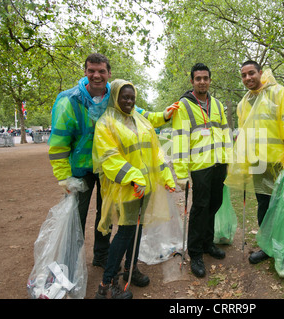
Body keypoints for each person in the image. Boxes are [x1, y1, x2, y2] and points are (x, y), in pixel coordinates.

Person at [48, 53, 178, 269]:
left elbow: (138, 115)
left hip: (109, 170)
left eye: (101, 71)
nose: (96, 75)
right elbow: (59, 143)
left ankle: (101, 256)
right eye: (91, 70)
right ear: (85, 71)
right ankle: (68, 265)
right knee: (75, 219)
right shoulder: (69, 100)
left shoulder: (115, 95)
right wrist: (64, 177)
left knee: (106, 214)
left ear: (109, 73)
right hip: (80, 170)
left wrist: (163, 116)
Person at [93, 79, 176, 298]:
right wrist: (134, 177)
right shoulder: (106, 123)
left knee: (137, 231)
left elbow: (155, 150)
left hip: (144, 187)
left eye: (132, 97)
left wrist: (166, 175)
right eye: (124, 97)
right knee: (126, 231)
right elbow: (109, 157)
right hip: (127, 188)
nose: (129, 101)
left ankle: (131, 271)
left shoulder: (139, 120)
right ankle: (106, 284)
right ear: (115, 97)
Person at [224, 60, 284, 265]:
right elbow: (244, 135)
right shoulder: (243, 103)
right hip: (258, 164)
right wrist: (242, 163)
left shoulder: (278, 93)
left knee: (281, 206)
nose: (248, 78)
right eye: (244, 75)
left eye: (251, 73)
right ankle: (267, 246)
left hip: (279, 162)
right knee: (263, 205)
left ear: (260, 72)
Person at [171, 63, 232, 278]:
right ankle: (195, 252)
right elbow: (179, 140)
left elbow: (225, 133)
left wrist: (228, 159)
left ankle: (208, 244)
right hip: (199, 166)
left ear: (210, 80)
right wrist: (180, 174)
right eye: (198, 78)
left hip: (218, 165)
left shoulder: (216, 104)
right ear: (192, 81)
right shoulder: (184, 106)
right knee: (200, 208)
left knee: (214, 204)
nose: (202, 82)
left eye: (206, 78)